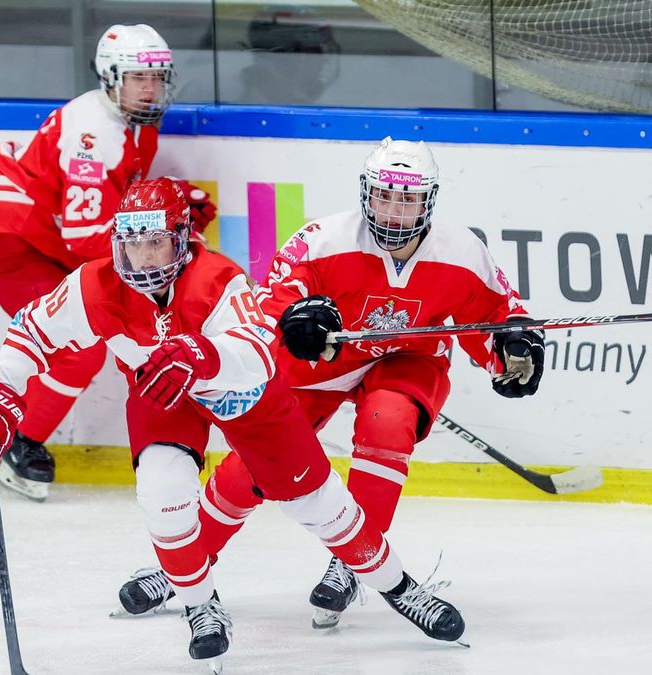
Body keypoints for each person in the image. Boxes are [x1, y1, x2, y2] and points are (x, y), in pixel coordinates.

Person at [0, 178, 467, 667]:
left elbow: (260, 353)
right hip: (163, 394)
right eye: (133, 244)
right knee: (162, 496)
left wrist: (202, 354)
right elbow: (31, 333)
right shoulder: (93, 285)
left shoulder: (217, 278)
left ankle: (400, 588)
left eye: (157, 243)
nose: (144, 257)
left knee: (321, 506)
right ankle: (201, 604)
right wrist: (1, 395)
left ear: (182, 240)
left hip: (242, 396)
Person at [116, 137, 545, 629]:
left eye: (407, 199)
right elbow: (267, 310)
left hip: (406, 358)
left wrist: (510, 352)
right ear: (366, 194)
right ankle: (185, 567)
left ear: (428, 200)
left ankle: (354, 559)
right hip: (322, 364)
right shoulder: (322, 240)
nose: (395, 211)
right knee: (252, 468)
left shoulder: (464, 252)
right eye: (385, 196)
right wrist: (295, 323)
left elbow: (497, 315)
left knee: (390, 419)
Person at [0, 24, 216, 500]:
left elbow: (108, 206)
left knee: (80, 341)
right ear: (110, 77)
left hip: (36, 233)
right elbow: (88, 243)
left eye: (158, 78)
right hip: (9, 241)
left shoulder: (130, 119)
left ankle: (1, 443)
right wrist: (168, 253)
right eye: (139, 78)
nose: (151, 88)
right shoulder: (95, 138)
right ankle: (14, 445)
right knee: (78, 346)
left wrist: (169, 204)